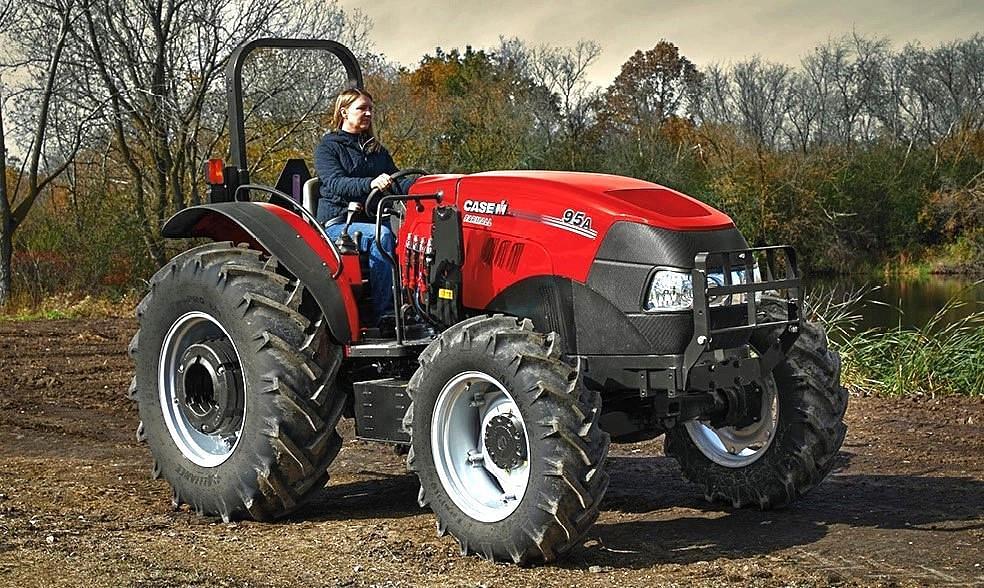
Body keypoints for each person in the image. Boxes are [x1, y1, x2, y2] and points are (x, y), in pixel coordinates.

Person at [313, 88, 401, 324]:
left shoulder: (376, 150)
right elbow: (336, 183)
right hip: (339, 225)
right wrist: (371, 182)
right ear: (344, 112)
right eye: (362, 108)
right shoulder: (329, 148)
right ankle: (387, 315)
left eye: (371, 109)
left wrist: (427, 184)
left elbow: (398, 179)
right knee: (381, 237)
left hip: (373, 219)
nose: (368, 113)